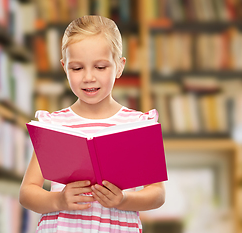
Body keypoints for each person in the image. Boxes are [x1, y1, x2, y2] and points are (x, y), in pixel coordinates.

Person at [19, 15, 165, 233]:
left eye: (100, 67)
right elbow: (27, 192)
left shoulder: (137, 125)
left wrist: (123, 199)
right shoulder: (54, 124)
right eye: (77, 68)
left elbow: (157, 194)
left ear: (119, 66)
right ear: (64, 68)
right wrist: (58, 200)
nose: (88, 77)